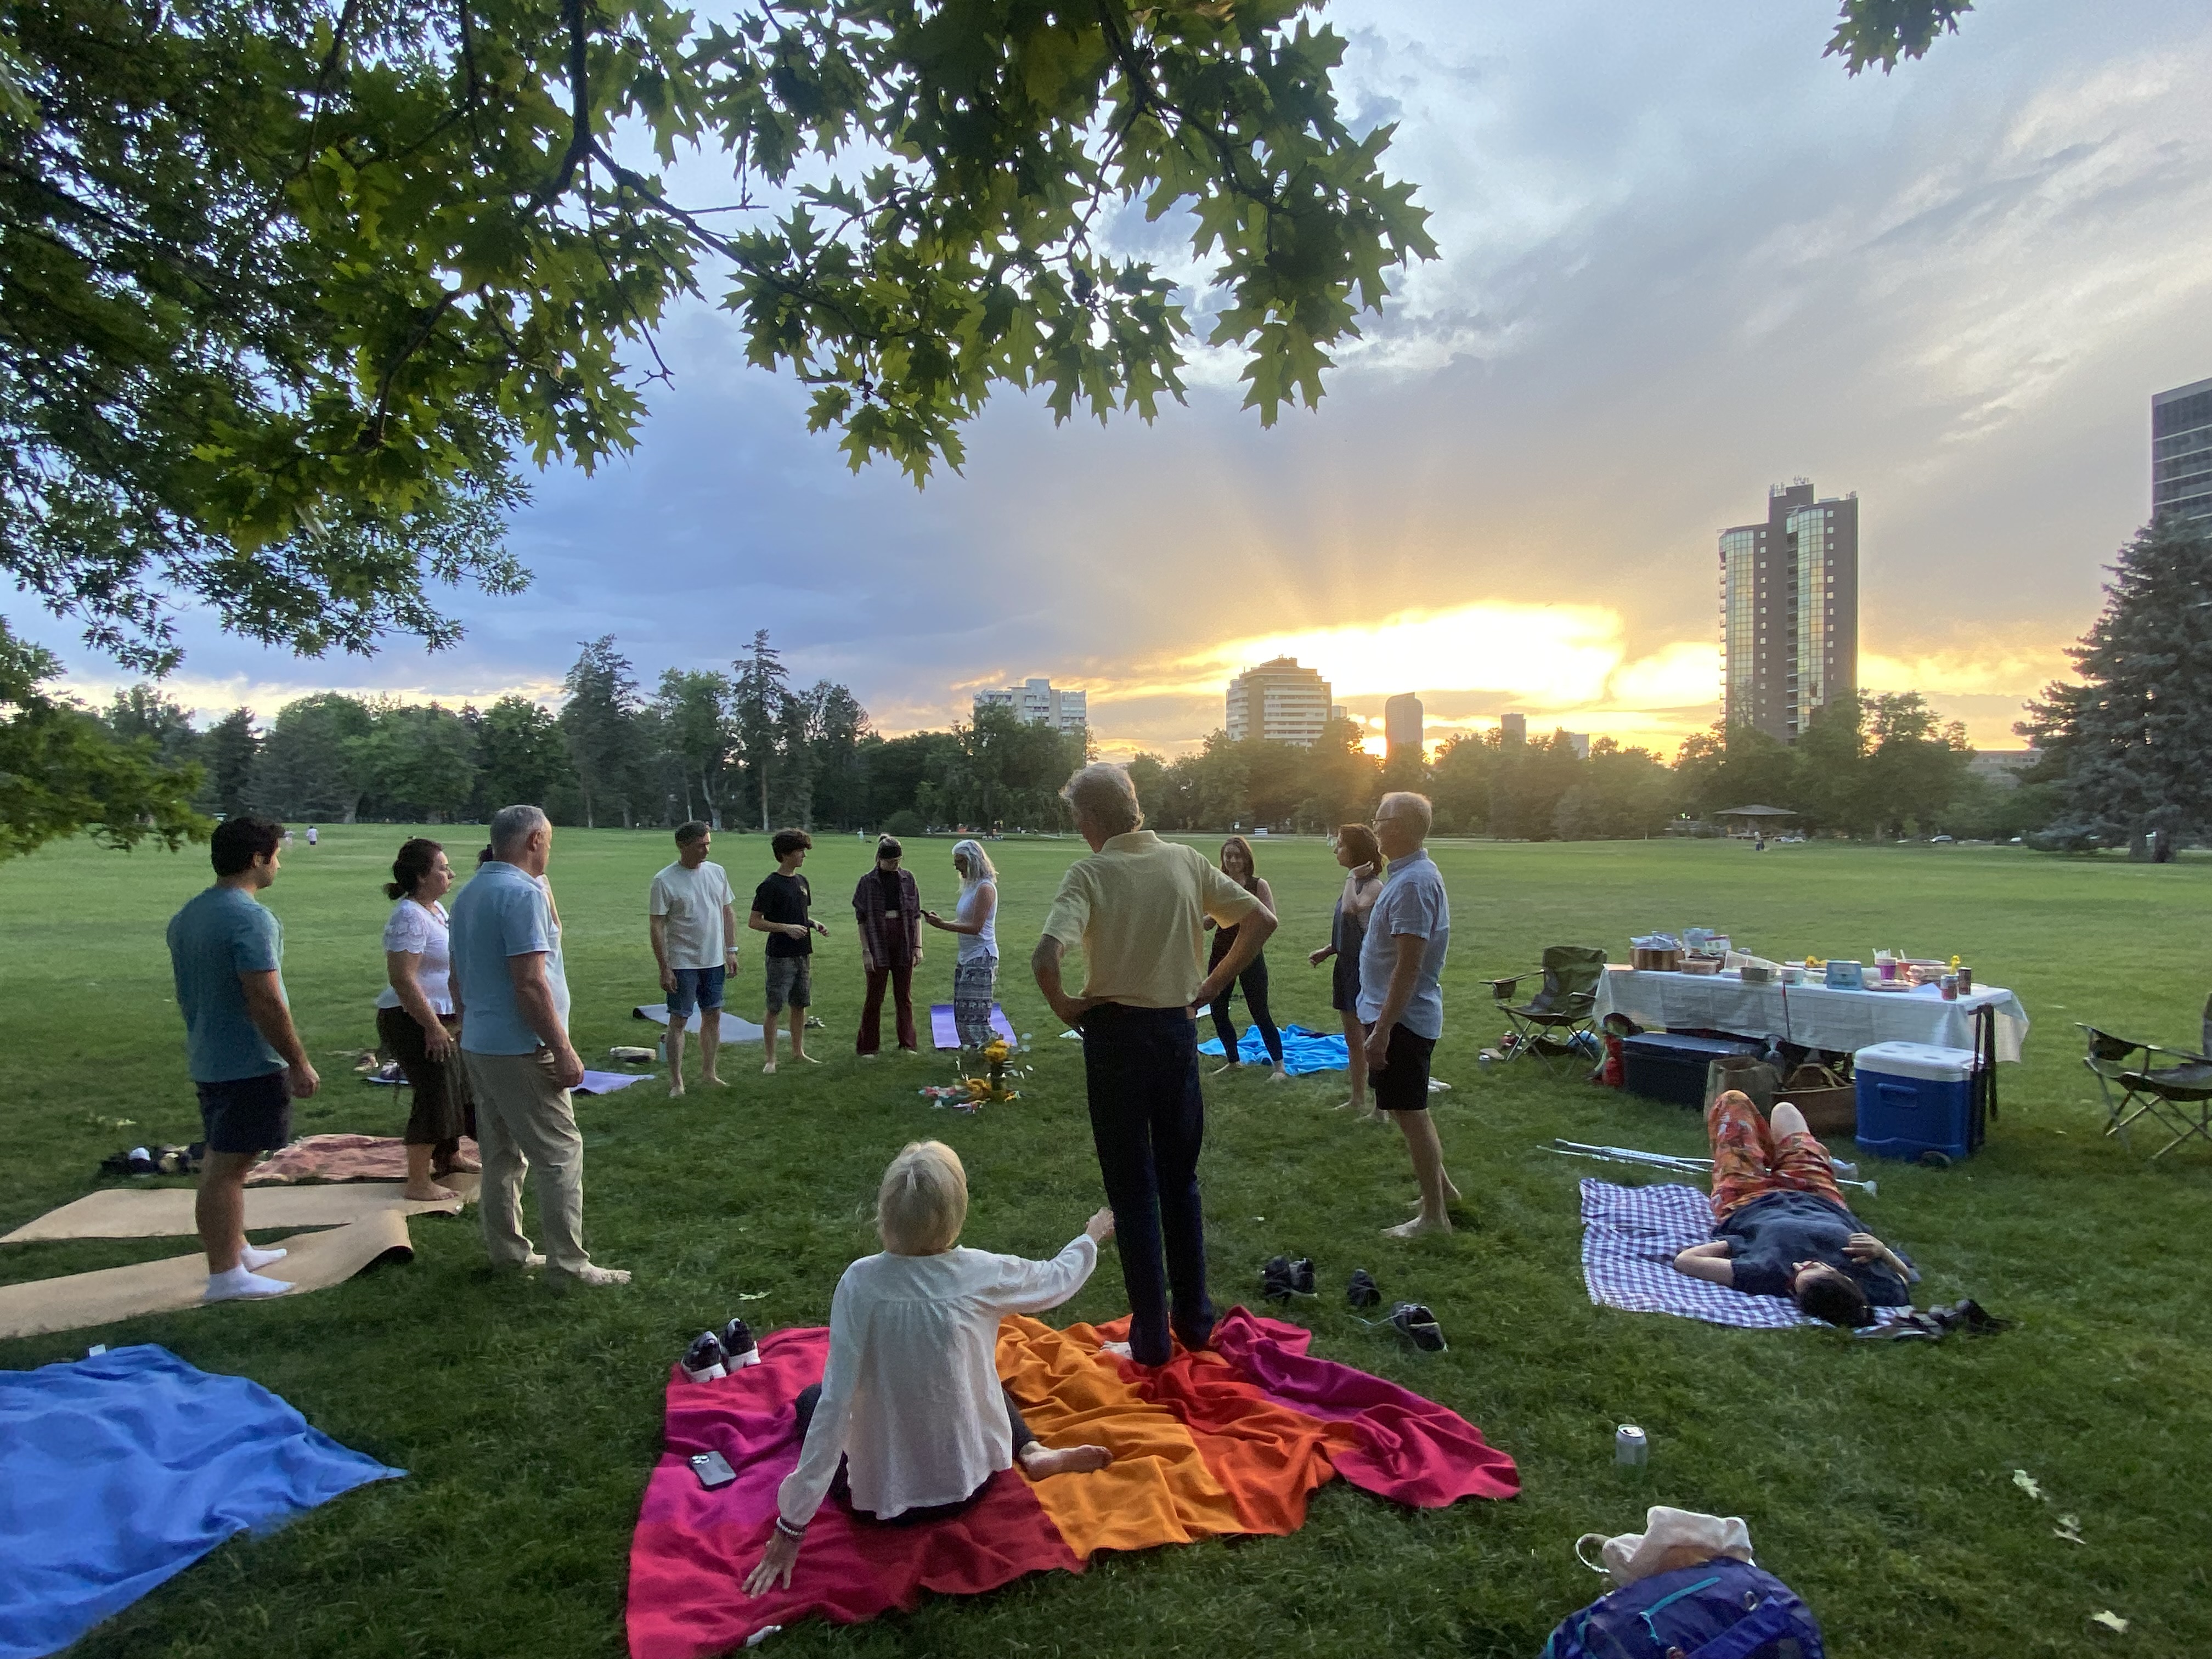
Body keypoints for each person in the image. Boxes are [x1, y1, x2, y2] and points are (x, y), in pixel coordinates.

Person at [743, 1142, 1115, 1594]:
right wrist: (1091, 1235)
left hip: (882, 1502)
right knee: (980, 1378)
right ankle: (1032, 1452)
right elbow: (1056, 1278)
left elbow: (836, 1408)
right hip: (970, 1483)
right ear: (956, 1213)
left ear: (886, 1214)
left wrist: (792, 1525)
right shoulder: (980, 1272)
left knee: (814, 1399)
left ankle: (1034, 1454)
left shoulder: (861, 1282)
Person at [1032, 763, 1276, 1367]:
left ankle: (1150, 1339)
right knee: (1179, 1180)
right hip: (1174, 1032)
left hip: (1114, 1038)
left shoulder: (1090, 871)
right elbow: (1260, 921)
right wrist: (1212, 985)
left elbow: (1046, 956)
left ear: (1089, 821)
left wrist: (1066, 1008)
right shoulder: (1185, 861)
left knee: (1133, 1191)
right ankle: (1194, 1322)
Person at [448, 804, 629, 1288]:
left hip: (482, 1045)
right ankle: (569, 1266)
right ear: (534, 841)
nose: (549, 849)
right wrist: (562, 1048)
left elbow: (457, 976)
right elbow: (529, 984)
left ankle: (507, 1252)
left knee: (502, 1155)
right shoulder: (518, 894)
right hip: (521, 1047)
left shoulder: (471, 893)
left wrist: (468, 1029)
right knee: (559, 1153)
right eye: (548, 841)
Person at [165, 815, 320, 1302]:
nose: (279, 863)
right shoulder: (250, 917)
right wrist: (297, 1061)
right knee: (227, 1168)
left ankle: (236, 1248)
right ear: (257, 859)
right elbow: (265, 998)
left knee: (228, 1158)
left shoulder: (190, 914)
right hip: (246, 1060)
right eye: (276, 853)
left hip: (212, 1055)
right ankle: (227, 1274)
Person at [1672, 1091, 1915, 1326]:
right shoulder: (1874, 1284)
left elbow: (1686, 1260)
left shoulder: (1766, 1274)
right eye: (1812, 1267)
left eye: (1797, 1277)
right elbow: (1906, 1279)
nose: (1798, 1266)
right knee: (1785, 1111)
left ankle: (1754, 1155)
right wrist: (1883, 1252)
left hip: (1746, 1200)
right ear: (1842, 1277)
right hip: (1818, 1195)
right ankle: (1773, 1156)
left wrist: (1735, 1243)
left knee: (1732, 1101)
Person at [1361, 792, 1461, 1239]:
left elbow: (1409, 964)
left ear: (1397, 827)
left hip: (1401, 1019)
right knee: (1407, 1110)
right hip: (1395, 1015)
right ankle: (1442, 1193)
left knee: (1411, 1112)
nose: (1375, 828)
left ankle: (1435, 1218)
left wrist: (1382, 1031)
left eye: (1379, 821)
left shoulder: (1413, 884)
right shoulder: (1408, 875)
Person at [374, 837, 476, 1202]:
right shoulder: (408, 916)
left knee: (457, 1087)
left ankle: (450, 1157)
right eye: (443, 868)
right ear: (421, 876)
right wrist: (432, 1027)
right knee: (435, 1093)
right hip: (412, 1020)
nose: (451, 874)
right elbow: (403, 978)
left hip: (442, 1018)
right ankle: (418, 1180)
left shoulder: (433, 910)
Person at [649, 821, 740, 1097]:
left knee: (713, 1015)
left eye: (708, 844)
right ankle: (677, 1081)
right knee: (679, 1019)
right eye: (700, 845)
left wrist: (731, 951)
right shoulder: (664, 880)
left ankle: (709, 1072)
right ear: (682, 845)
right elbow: (657, 925)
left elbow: (727, 912)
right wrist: (665, 967)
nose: (706, 850)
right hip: (682, 962)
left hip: (714, 960)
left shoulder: (717, 873)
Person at [1308, 823, 1386, 1118]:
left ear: (1355, 851)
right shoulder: (1355, 883)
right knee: (1353, 1040)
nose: (1335, 849)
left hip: (1365, 973)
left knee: (1371, 1040)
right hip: (1345, 967)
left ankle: (1382, 1108)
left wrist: (1352, 876)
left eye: (1340, 845)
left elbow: (1352, 910)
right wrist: (1328, 950)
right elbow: (1349, 929)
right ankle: (1357, 1099)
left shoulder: (1374, 886)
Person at [1203, 835, 1287, 1082]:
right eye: (1228, 856)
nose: (1233, 860)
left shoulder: (1258, 885)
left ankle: (1279, 1068)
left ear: (1246, 858)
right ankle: (1233, 1061)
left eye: (1237, 855)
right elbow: (1208, 924)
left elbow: (1270, 921)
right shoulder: (1219, 884)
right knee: (1218, 1010)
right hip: (1221, 954)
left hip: (1249, 954)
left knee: (1259, 1011)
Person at [750, 828, 827, 1073]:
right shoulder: (770, 885)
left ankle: (798, 1052)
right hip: (780, 955)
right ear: (784, 855)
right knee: (775, 1006)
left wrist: (813, 923)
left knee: (800, 1004)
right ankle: (771, 1059)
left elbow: (800, 915)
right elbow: (755, 921)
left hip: (803, 953)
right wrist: (785, 929)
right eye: (799, 851)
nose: (804, 856)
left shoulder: (802, 882)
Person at [923, 839, 999, 1053]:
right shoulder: (971, 887)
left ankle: (992, 1052)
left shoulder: (985, 888)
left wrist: (944, 925)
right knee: (962, 1010)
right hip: (967, 956)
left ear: (973, 861)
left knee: (976, 1013)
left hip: (982, 955)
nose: (956, 866)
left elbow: (976, 927)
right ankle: (974, 1051)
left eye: (960, 862)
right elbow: (966, 921)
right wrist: (942, 922)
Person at [853, 835, 924, 1056]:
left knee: (904, 997)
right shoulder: (867, 882)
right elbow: (862, 920)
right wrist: (866, 951)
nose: (895, 866)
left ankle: (908, 1044)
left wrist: (918, 946)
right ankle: (868, 1047)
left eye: (898, 862)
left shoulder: (908, 879)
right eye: (891, 862)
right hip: (877, 940)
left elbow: (916, 916)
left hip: (904, 939)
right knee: (874, 997)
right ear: (880, 859)